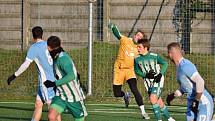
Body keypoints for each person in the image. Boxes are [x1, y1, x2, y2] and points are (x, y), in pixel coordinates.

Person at [6, 26, 61, 121]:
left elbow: (26, 64)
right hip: (53, 80)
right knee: (38, 104)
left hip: (46, 83)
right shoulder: (48, 45)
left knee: (53, 109)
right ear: (42, 34)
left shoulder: (34, 48)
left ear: (33, 36)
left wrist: (14, 75)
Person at [108, 22, 149, 119]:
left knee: (134, 89)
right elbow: (117, 34)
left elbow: (144, 57)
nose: (137, 37)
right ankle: (125, 95)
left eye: (140, 36)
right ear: (135, 35)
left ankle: (143, 112)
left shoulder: (139, 48)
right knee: (117, 93)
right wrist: (113, 27)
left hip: (130, 71)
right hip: (119, 69)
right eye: (137, 34)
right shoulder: (125, 40)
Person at [167, 42, 214, 121]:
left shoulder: (185, 65)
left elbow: (200, 81)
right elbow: (186, 87)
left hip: (203, 102)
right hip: (192, 103)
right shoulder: (179, 67)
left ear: (170, 54)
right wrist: (173, 95)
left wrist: (197, 100)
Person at [44, 36, 87, 121]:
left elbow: (71, 76)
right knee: (51, 116)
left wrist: (53, 84)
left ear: (49, 47)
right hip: (61, 95)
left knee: (80, 118)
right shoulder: (56, 57)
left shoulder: (62, 58)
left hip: (73, 96)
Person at [134, 38, 175, 121]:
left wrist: (160, 74)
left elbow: (165, 63)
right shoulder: (137, 59)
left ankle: (159, 120)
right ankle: (170, 118)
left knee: (153, 98)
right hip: (148, 83)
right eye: (137, 47)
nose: (137, 48)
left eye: (139, 47)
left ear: (145, 48)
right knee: (159, 101)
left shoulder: (154, 56)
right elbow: (136, 70)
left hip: (157, 80)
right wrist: (145, 75)